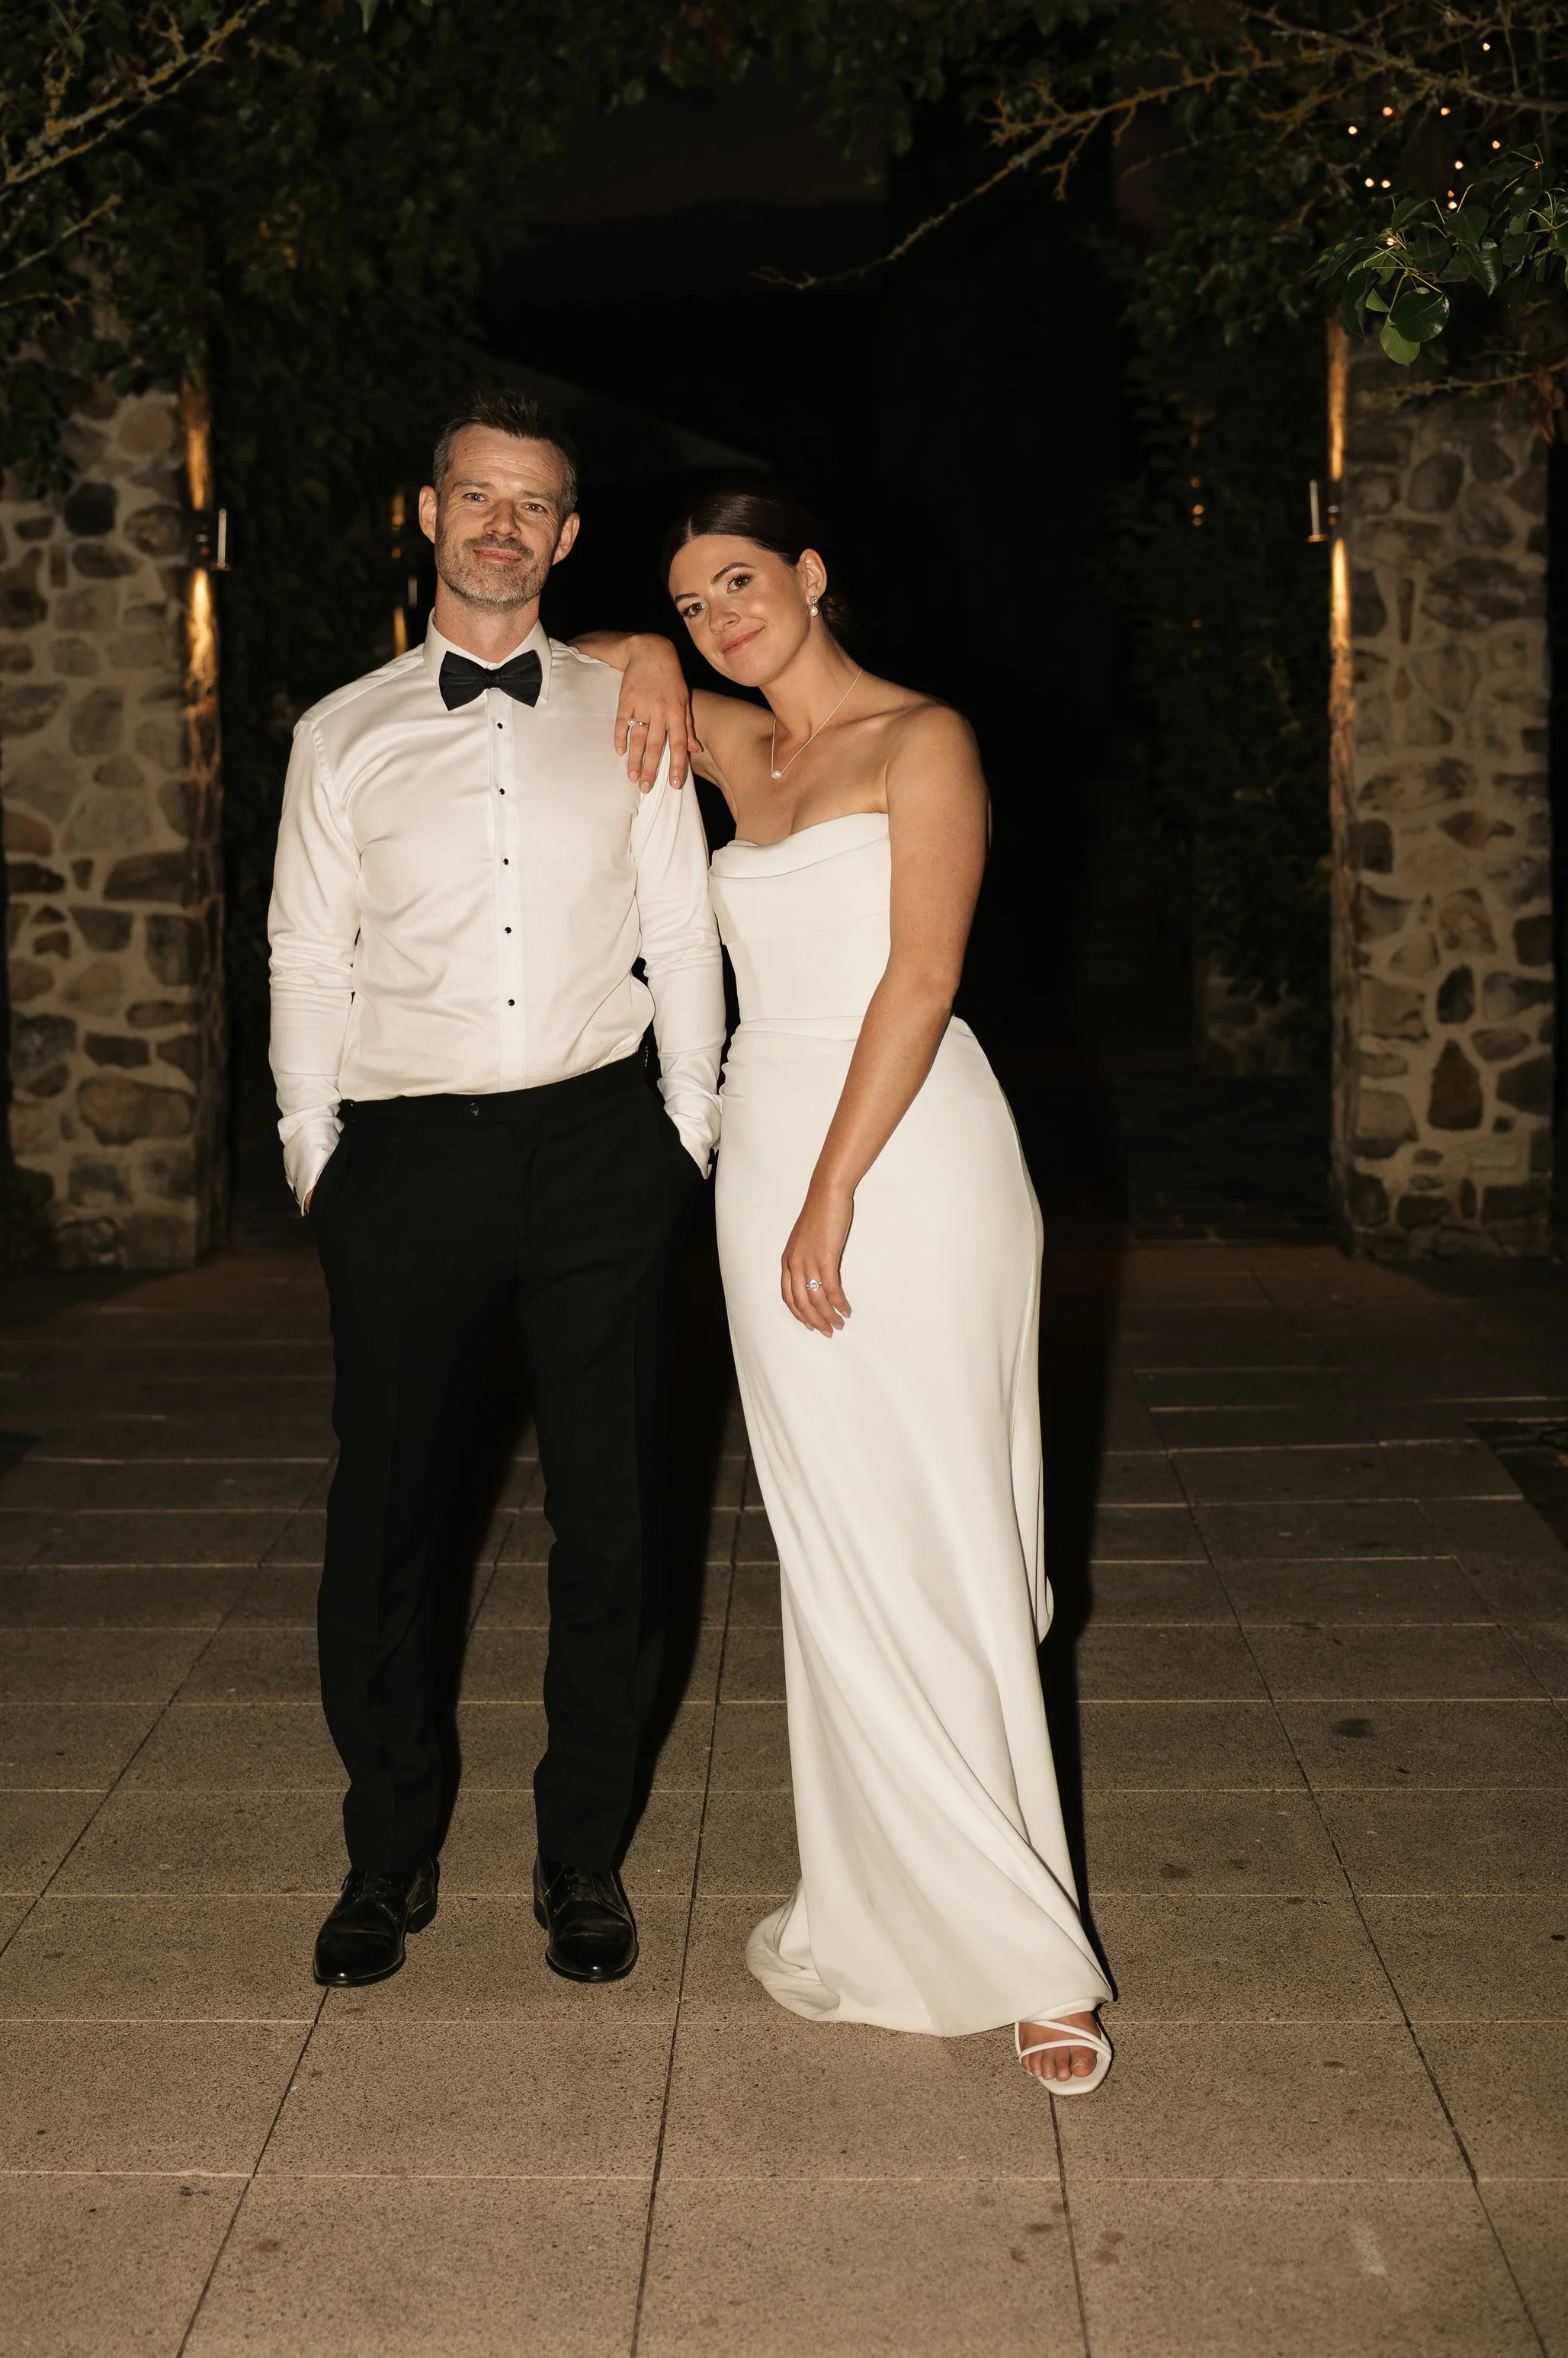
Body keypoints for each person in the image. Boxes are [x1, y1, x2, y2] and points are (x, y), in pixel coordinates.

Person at [583, 487, 1111, 2092]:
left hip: (908, 1157)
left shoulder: (917, 741)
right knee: (829, 1545)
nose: (719, 616)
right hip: (766, 1157)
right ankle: (883, 1907)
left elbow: (924, 972)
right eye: (692, 605)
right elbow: (566, 645)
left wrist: (833, 1188)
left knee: (944, 1530)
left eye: (739, 581)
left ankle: (1034, 1956)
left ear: (809, 575)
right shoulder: (741, 747)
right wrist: (642, 659)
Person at [267, 395, 723, 1992]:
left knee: (614, 1523)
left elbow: (685, 923)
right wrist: (317, 1156)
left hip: (605, 1156)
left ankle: (580, 1856)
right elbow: (306, 951)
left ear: (569, 535)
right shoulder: (341, 733)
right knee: (385, 1527)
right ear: (428, 509)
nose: (500, 527)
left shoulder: (628, 707)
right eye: (476, 496)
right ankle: (386, 1855)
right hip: (408, 1158)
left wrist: (687, 1134)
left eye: (532, 506)